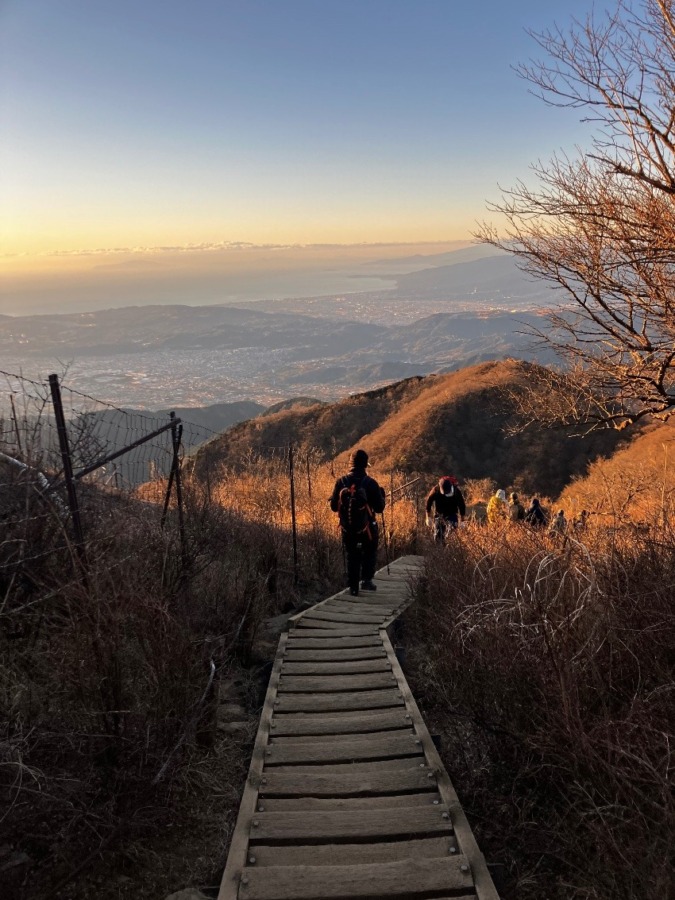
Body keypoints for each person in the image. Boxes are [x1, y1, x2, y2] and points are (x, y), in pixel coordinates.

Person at [330, 449, 386, 596]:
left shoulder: (341, 482)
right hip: (366, 528)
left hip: (347, 528)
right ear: (365, 465)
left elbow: (333, 507)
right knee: (370, 550)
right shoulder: (371, 483)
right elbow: (380, 508)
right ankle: (367, 580)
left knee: (352, 554)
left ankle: (353, 586)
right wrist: (381, 495)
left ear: (350, 464)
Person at [425, 475, 466, 542]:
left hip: (452, 515)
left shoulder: (456, 491)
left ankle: (450, 550)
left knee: (451, 536)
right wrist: (428, 517)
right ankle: (439, 550)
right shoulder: (436, 490)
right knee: (438, 537)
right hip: (439, 515)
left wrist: (462, 521)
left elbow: (462, 506)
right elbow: (429, 502)